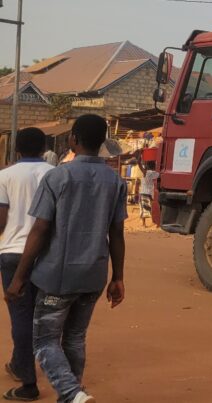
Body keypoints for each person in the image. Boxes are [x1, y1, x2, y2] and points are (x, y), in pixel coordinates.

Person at [4, 114, 126, 403]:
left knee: (44, 340)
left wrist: (19, 277)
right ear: (102, 142)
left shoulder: (58, 176)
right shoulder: (115, 180)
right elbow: (117, 233)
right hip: (94, 275)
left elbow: (41, 229)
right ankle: (72, 394)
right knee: (74, 338)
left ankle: (72, 394)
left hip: (57, 275)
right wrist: (118, 277)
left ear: (73, 139)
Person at [0, 128, 53, 402]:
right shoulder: (55, 173)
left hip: (12, 253)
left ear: (16, 149)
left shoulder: (5, 176)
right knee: (41, 314)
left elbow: (0, 218)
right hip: (46, 254)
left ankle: (27, 377)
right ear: (45, 146)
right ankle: (23, 362)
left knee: (20, 315)